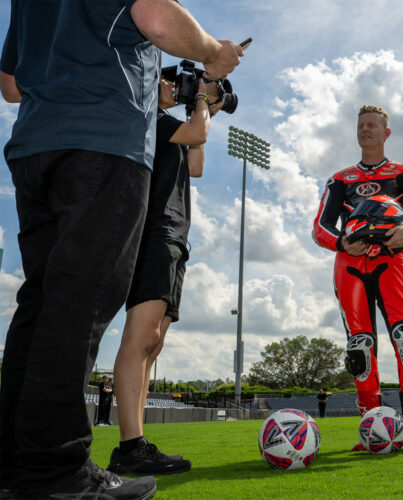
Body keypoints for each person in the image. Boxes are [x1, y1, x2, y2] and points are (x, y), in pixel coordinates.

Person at [0, 1, 241, 497]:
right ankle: (55, 470)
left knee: (42, 302)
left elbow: (11, 85)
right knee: (77, 303)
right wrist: (213, 53)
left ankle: (17, 466)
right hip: (103, 140)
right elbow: (156, 17)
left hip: (37, 144)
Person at [107, 75, 224, 477]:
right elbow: (196, 131)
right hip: (153, 232)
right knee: (141, 338)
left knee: (153, 343)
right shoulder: (149, 118)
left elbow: (196, 164)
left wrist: (202, 109)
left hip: (174, 236)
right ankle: (130, 445)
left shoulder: (172, 128)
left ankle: (135, 444)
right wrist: (202, 101)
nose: (174, 86)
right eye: (167, 80)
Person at [312, 105, 403, 450]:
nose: (365, 130)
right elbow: (320, 227)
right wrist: (342, 242)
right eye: (360, 125)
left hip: (393, 261)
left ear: (387, 133)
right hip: (350, 265)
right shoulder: (340, 179)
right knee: (359, 349)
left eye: (372, 125)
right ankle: (372, 429)